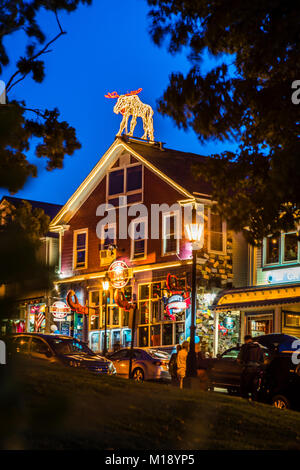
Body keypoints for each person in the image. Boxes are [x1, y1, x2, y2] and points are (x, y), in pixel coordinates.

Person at [237, 334, 265, 400]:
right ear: (251, 339)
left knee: (245, 386)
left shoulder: (244, 347)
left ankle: (245, 400)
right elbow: (262, 360)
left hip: (248, 369)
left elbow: (239, 359)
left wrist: (241, 364)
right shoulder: (258, 347)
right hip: (257, 370)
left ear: (245, 340)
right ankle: (254, 400)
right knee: (254, 386)